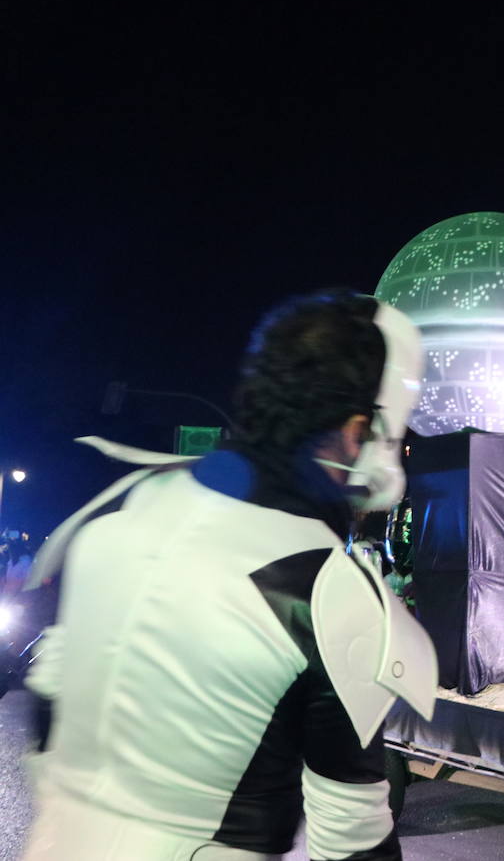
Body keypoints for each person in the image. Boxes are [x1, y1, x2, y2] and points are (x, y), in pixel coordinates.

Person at [21, 290, 434, 861]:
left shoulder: (115, 512)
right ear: (356, 427)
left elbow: (47, 698)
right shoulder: (326, 588)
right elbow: (353, 838)